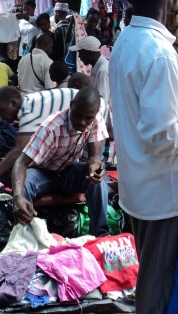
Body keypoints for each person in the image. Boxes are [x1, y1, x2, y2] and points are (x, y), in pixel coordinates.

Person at [109, 0, 178, 313]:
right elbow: (160, 136)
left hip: (138, 187)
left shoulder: (125, 42)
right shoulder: (158, 53)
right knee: (158, 286)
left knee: (153, 276)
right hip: (161, 193)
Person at [12, 87, 109, 237]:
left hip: (67, 170)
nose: (83, 122)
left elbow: (94, 157)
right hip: (43, 173)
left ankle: (100, 235)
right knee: (25, 184)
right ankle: (25, 234)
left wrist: (94, 169)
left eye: (88, 118)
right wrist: (18, 196)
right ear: (71, 105)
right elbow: (20, 163)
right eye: (78, 115)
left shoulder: (95, 119)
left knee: (99, 180)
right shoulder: (52, 127)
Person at [0, 74, 90, 183]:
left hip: (86, 110)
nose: (1, 116)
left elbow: (20, 150)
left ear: (13, 103)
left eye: (2, 110)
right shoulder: (29, 101)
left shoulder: (27, 111)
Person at [73, 36, 109, 107]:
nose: (79, 57)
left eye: (81, 53)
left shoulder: (103, 70)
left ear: (90, 53)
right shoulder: (97, 66)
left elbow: (102, 101)